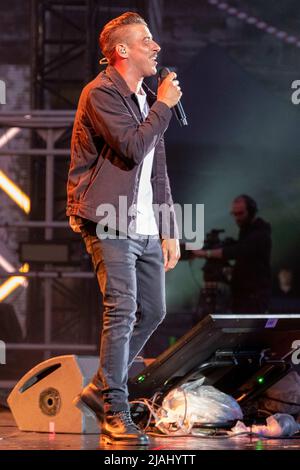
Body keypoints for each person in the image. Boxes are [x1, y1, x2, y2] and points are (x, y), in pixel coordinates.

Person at [66, 12, 181, 445]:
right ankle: (113, 409)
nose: (155, 47)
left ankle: (99, 388)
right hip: (109, 218)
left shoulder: (144, 97)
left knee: (153, 310)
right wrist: (164, 106)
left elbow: (158, 173)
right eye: (146, 40)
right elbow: (132, 147)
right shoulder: (100, 93)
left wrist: (170, 228)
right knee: (123, 308)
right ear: (122, 50)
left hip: (146, 223)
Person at [194, 195, 272, 313]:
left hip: (254, 298)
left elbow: (239, 251)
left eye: (240, 213)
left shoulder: (260, 233)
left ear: (251, 211)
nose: (237, 218)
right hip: (242, 296)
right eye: (234, 214)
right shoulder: (247, 231)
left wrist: (206, 253)